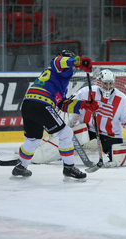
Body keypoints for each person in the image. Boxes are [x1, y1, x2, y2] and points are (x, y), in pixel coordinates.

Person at [12, 50, 99, 182]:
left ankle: (20, 167)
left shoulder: (58, 81)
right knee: (66, 134)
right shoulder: (56, 65)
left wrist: (84, 104)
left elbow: (62, 104)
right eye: (72, 65)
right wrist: (78, 61)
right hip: (41, 105)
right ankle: (69, 167)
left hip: (28, 105)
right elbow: (59, 61)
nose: (73, 69)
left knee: (33, 139)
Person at [72, 69, 126, 162]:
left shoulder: (121, 98)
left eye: (110, 84)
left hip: (111, 133)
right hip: (87, 128)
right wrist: (67, 126)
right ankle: (63, 153)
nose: (108, 87)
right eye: (105, 83)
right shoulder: (86, 91)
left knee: (118, 159)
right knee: (68, 143)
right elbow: (71, 106)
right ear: (100, 83)